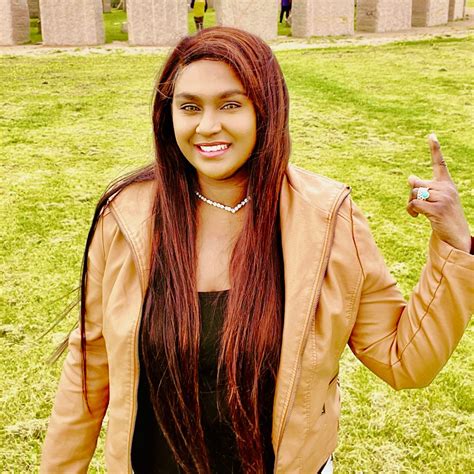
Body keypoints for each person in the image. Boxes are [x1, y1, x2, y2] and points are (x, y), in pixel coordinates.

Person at [40, 27, 473, 473]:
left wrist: (455, 245)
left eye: (230, 104)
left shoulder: (326, 218)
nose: (207, 126)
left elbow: (404, 360)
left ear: (266, 109)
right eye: (189, 107)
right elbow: (88, 370)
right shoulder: (126, 216)